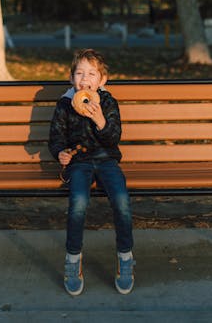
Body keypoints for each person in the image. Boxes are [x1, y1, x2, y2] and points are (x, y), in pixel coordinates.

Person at [48, 48, 135, 296]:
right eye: (79, 73)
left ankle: (125, 256)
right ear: (71, 78)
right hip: (79, 163)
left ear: (102, 80)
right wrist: (60, 154)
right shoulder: (65, 105)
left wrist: (100, 121)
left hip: (106, 160)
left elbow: (113, 138)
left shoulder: (107, 103)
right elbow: (55, 139)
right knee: (78, 202)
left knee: (121, 201)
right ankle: (73, 260)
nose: (85, 79)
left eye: (91, 74)